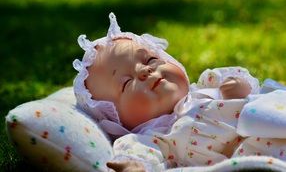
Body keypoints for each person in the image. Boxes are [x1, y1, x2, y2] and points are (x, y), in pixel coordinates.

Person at [73, 13, 286, 171]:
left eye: (151, 60)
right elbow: (139, 156)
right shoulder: (154, 138)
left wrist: (238, 86)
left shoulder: (207, 86)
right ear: (115, 120)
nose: (145, 71)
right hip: (251, 158)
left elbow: (250, 91)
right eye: (127, 82)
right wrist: (135, 166)